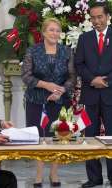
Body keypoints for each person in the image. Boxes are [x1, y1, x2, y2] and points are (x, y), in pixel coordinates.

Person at [74, 2, 112, 188]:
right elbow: (79, 64)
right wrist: (93, 80)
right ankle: (94, 178)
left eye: (100, 17)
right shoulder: (84, 38)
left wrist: (106, 80)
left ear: (107, 17)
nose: (96, 21)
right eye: (93, 18)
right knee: (90, 136)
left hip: (111, 93)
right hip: (90, 94)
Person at [21, 17, 76, 188]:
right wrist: (47, 86)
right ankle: (38, 174)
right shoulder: (33, 51)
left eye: (58, 30)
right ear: (44, 32)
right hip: (36, 101)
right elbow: (26, 76)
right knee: (38, 137)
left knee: (57, 137)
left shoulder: (67, 51)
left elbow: (73, 77)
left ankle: (54, 173)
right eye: (51, 30)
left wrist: (59, 91)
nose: (55, 33)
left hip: (60, 101)